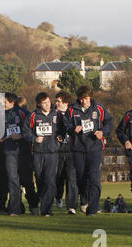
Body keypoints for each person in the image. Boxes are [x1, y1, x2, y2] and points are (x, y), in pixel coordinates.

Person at [65, 85, 113, 216]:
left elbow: (109, 122)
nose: (83, 101)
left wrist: (103, 132)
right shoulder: (71, 110)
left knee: (94, 178)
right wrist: (72, 129)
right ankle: (84, 199)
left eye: (85, 98)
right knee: (81, 178)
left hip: (95, 149)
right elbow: (65, 124)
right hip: (78, 149)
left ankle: (93, 208)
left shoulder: (99, 109)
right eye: (81, 99)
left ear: (90, 97)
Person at [23, 92, 64, 217]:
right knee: (40, 179)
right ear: (39, 104)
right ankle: (41, 198)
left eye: (48, 102)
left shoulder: (57, 115)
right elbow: (25, 132)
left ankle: (47, 209)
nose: (47, 105)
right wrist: (34, 139)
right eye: (44, 103)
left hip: (52, 152)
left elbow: (64, 129)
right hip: (38, 153)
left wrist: (61, 136)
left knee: (50, 180)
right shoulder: (33, 116)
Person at [55, 91, 78, 215]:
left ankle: (72, 206)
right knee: (58, 178)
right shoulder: (53, 114)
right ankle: (58, 196)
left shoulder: (74, 113)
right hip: (57, 152)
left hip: (71, 151)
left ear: (66, 103)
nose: (56, 103)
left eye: (59, 101)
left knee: (71, 179)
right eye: (56, 101)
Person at [16, 95, 39, 215]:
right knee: (27, 181)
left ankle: (19, 206)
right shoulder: (29, 114)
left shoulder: (23, 114)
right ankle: (33, 206)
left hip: (21, 151)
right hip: (25, 151)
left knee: (17, 182)